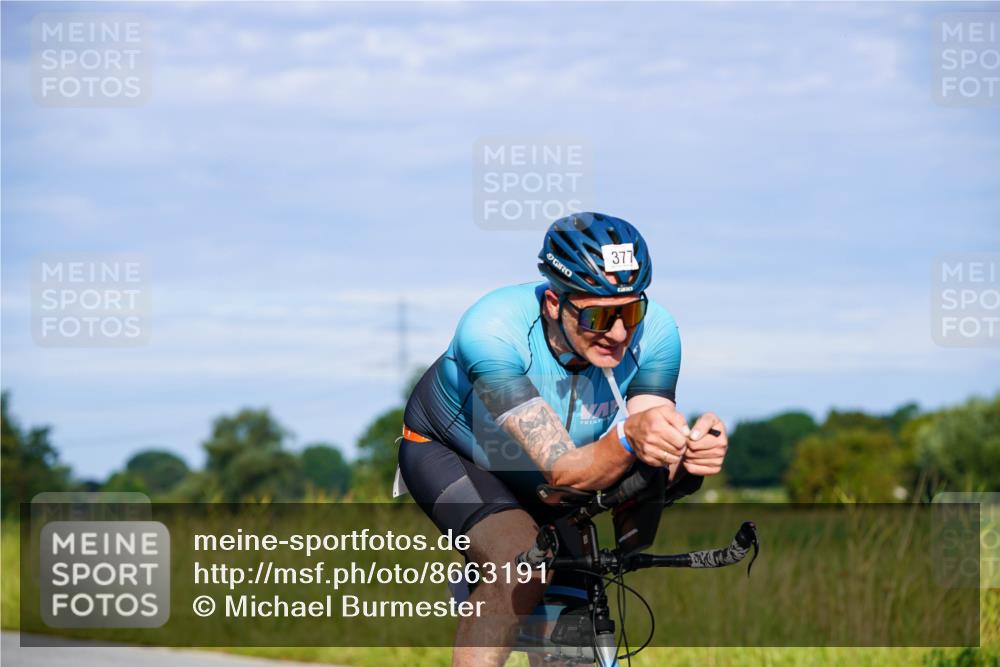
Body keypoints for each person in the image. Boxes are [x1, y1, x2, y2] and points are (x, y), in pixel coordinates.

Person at [397, 212, 730, 666]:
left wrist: (688, 457)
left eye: (631, 312)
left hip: (561, 466)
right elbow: (564, 468)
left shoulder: (657, 334)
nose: (618, 333)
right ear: (554, 303)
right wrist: (631, 438)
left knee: (576, 592)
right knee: (520, 563)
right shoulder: (492, 331)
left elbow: (649, 454)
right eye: (598, 315)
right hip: (454, 452)